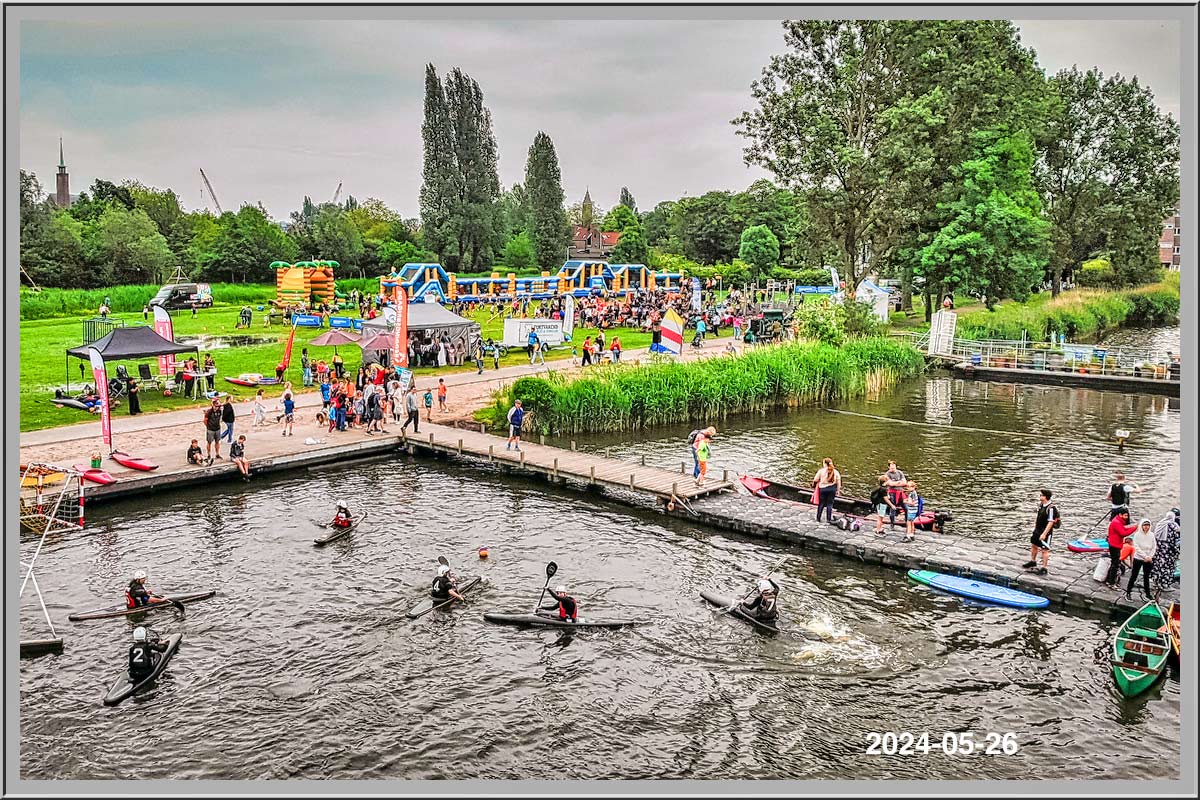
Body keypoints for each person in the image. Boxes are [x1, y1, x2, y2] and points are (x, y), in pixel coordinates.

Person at [1023, 488, 1059, 575]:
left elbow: (1050, 522)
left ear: (1046, 497)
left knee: (1044, 550)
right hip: (1037, 530)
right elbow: (1038, 517)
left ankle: (1044, 568)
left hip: (1045, 531)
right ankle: (1033, 561)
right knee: (1034, 545)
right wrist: (1035, 528)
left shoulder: (1051, 508)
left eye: (1041, 495)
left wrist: (1044, 534)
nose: (1040, 496)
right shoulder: (1041, 505)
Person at [1104, 509, 1140, 587]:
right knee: (1115, 564)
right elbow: (1123, 533)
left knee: (1114, 563)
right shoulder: (1116, 522)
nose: (1127, 517)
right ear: (1120, 514)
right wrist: (1134, 528)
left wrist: (1133, 527)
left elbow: (1123, 529)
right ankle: (1111, 582)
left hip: (1114, 544)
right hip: (1115, 545)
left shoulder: (1118, 521)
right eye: (1125, 515)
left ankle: (1109, 580)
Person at [1125, 518, 1158, 600]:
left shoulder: (1151, 535)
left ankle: (1147, 594)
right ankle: (1128, 592)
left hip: (1149, 559)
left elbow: (1154, 546)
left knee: (1146, 577)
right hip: (1138, 558)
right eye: (1144, 525)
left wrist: (1150, 556)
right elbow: (1136, 547)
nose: (1146, 527)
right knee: (1134, 575)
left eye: (1148, 525)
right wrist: (1145, 556)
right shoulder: (1137, 535)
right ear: (1141, 526)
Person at [1150, 508, 1181, 593]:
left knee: (1158, 567)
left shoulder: (1161, 523)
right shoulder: (1173, 526)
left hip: (1159, 552)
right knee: (1168, 568)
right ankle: (1165, 585)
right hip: (1169, 552)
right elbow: (1176, 539)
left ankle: (1156, 583)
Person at [812, 458, 841, 524]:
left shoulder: (821, 471)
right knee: (830, 504)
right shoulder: (836, 472)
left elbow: (815, 479)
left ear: (824, 464)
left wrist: (814, 485)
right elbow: (838, 482)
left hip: (823, 489)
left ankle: (818, 518)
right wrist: (838, 490)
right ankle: (828, 519)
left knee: (821, 504)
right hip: (832, 489)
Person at [883, 461, 907, 528]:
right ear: (889, 467)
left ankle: (907, 522)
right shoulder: (887, 474)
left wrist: (896, 483)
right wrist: (899, 482)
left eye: (894, 467)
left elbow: (905, 482)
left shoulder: (900, 472)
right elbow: (890, 484)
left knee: (906, 508)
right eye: (891, 468)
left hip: (900, 493)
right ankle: (892, 524)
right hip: (892, 493)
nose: (893, 469)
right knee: (892, 508)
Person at [203, 398, 223, 464]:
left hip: (217, 428)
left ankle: (217, 453)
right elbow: (205, 420)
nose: (218, 407)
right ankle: (209, 454)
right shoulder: (209, 412)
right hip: (210, 429)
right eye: (217, 405)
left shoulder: (219, 411)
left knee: (217, 442)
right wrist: (208, 426)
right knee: (209, 442)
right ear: (213, 405)